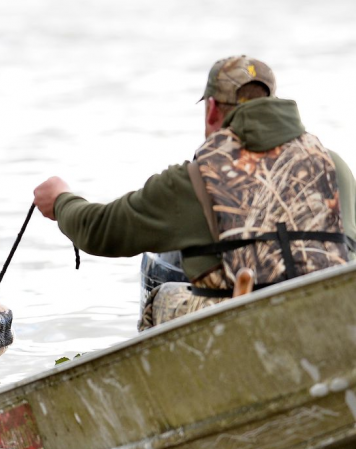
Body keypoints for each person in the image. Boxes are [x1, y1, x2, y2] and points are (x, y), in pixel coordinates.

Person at [33, 56, 356, 330]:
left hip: (248, 329)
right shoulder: (333, 164)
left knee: (165, 293)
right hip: (335, 317)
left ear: (213, 109)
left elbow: (99, 230)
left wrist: (62, 200)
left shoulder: (195, 178)